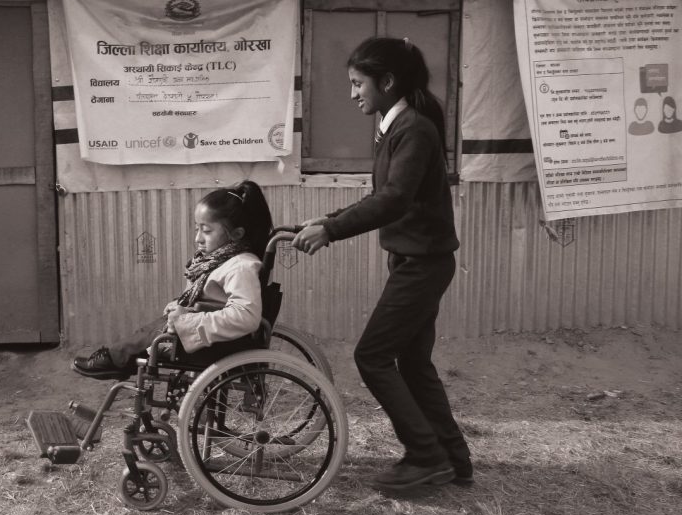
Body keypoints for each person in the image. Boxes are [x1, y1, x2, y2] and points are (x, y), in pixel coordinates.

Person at [292, 36, 472, 490]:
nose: (353, 94)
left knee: (371, 356)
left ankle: (425, 455)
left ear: (387, 82)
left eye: (358, 84)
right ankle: (453, 457)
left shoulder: (413, 128)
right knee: (413, 364)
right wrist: (328, 219)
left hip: (422, 265)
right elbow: (387, 197)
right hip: (418, 261)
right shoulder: (400, 125)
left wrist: (331, 232)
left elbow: (393, 199)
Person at [72, 180, 273, 379]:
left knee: (150, 336)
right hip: (200, 326)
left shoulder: (241, 266)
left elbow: (246, 316)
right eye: (197, 228)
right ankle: (117, 358)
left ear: (237, 234)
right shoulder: (218, 260)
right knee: (148, 331)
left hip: (214, 340)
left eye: (207, 230)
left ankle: (117, 360)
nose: (198, 239)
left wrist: (188, 319)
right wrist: (181, 306)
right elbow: (212, 300)